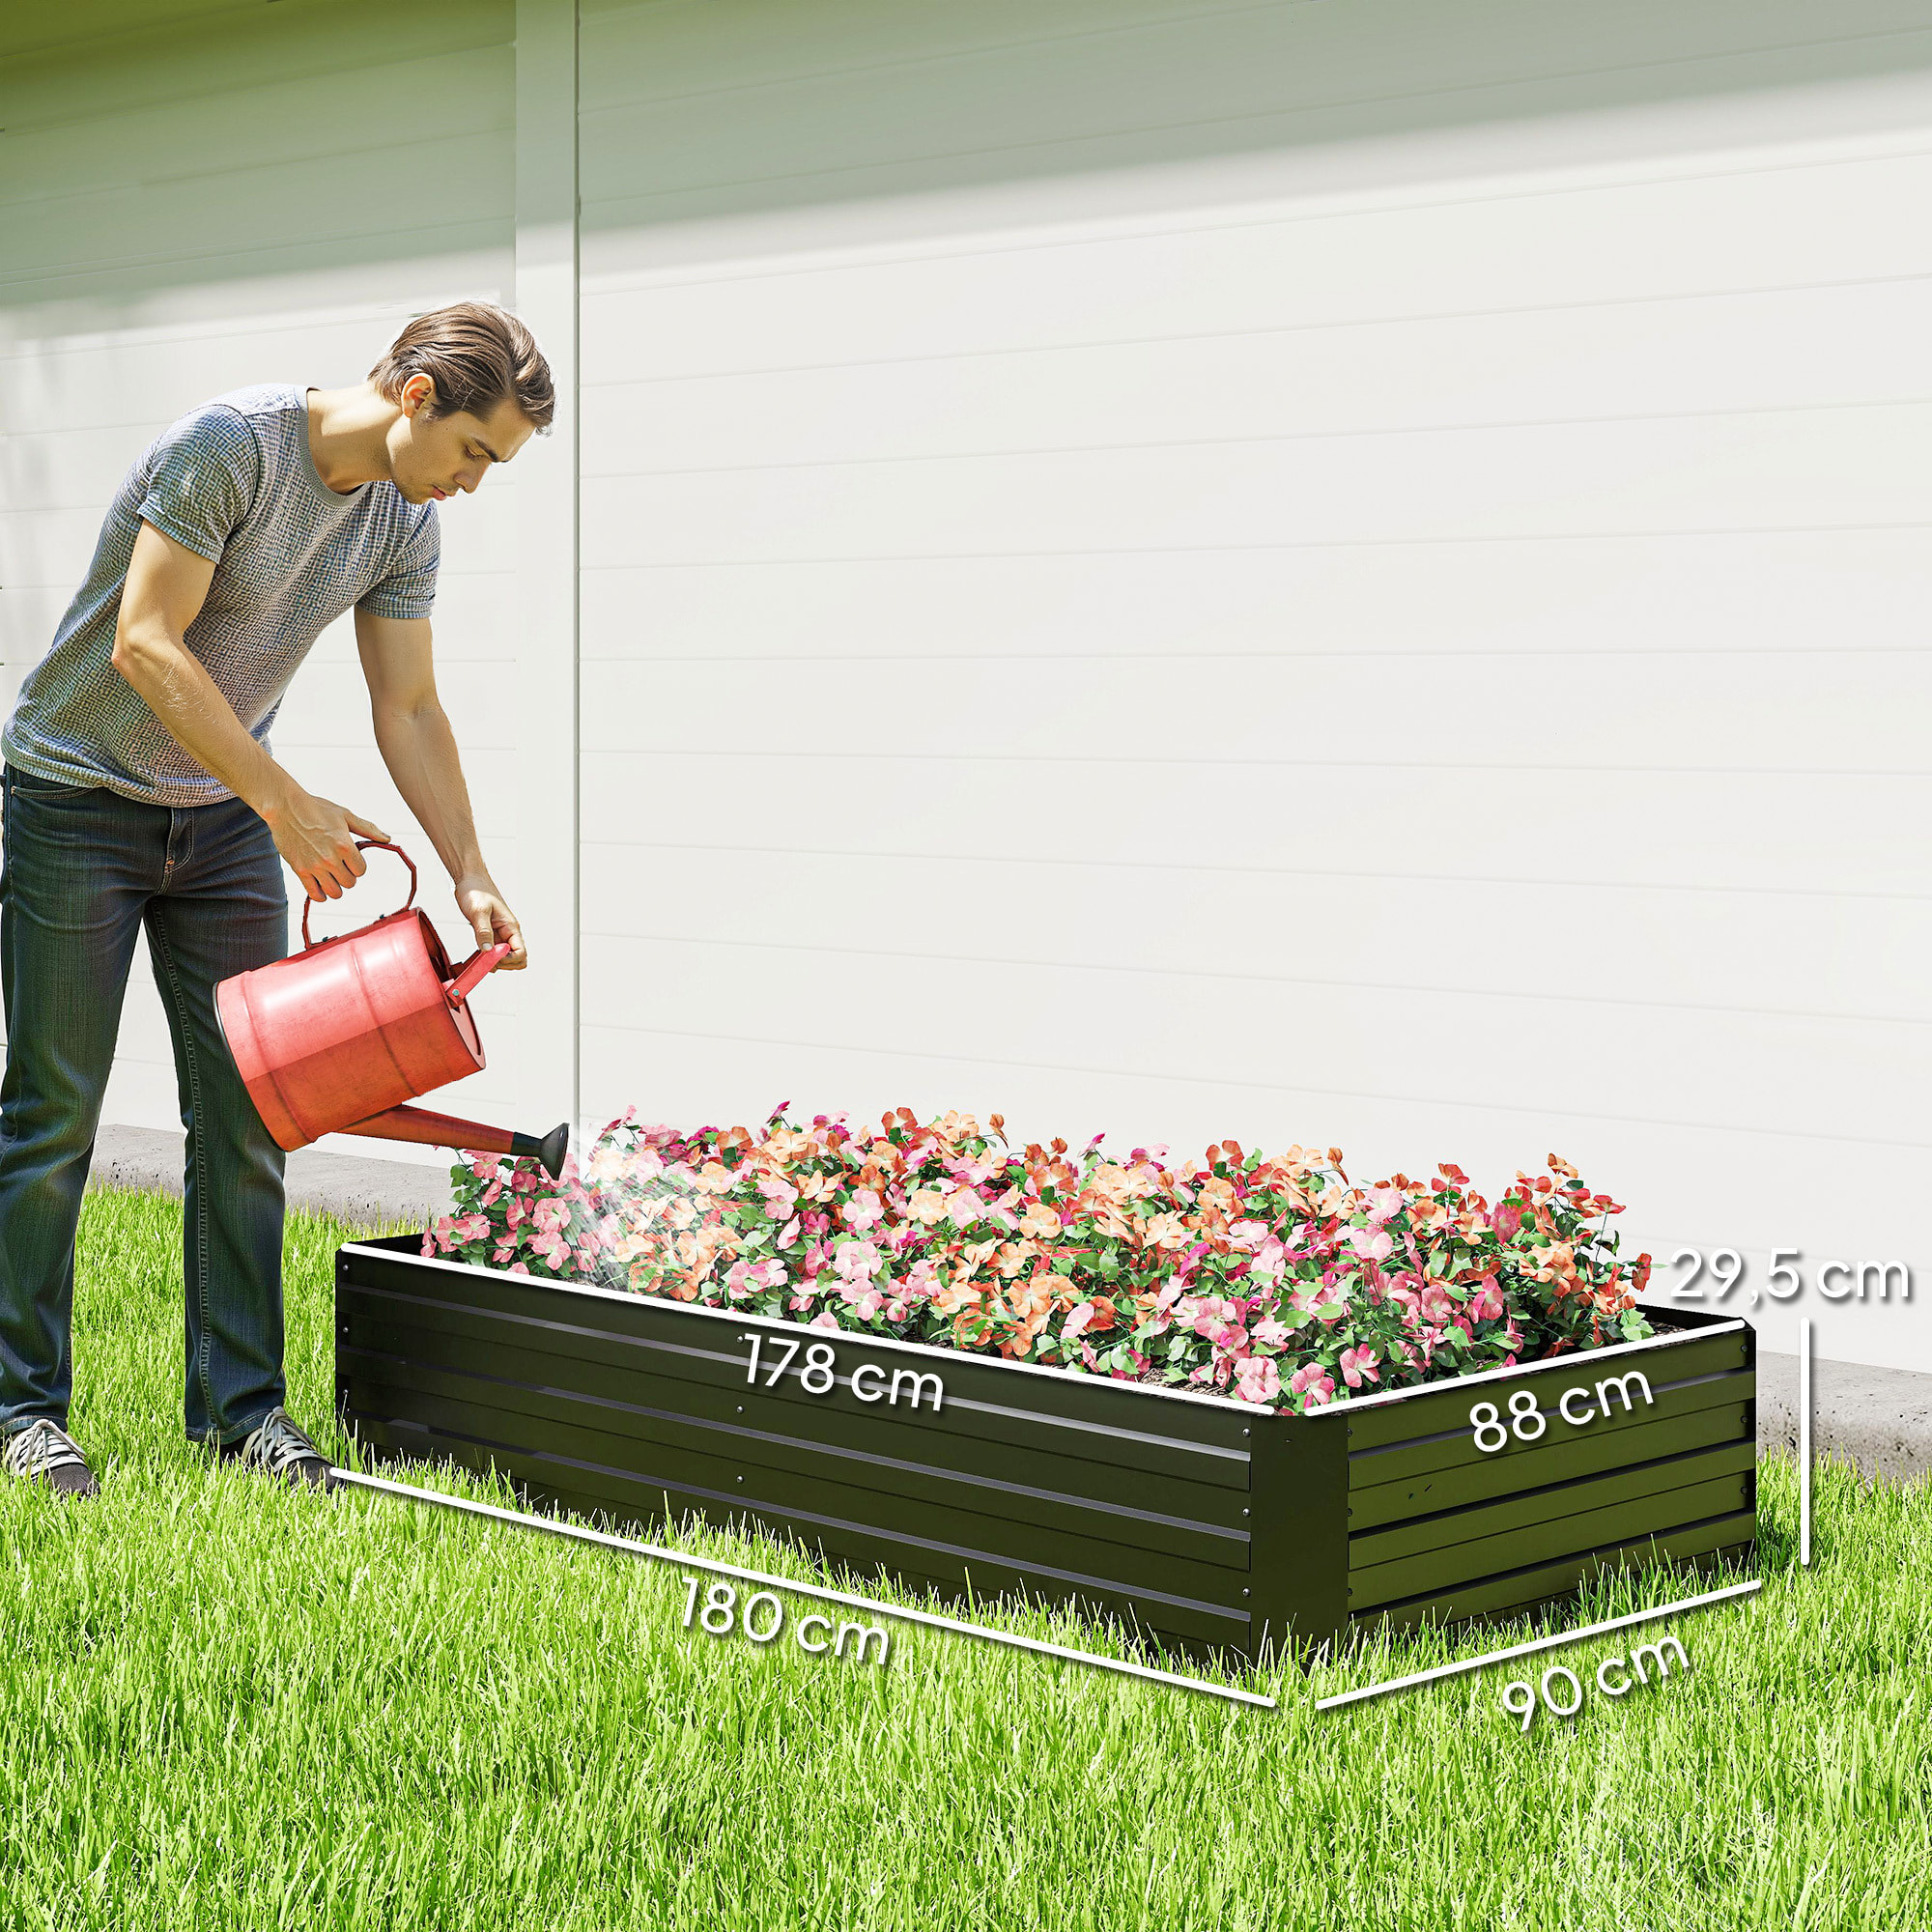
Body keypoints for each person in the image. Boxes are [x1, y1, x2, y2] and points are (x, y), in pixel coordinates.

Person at [0, 301, 550, 1497]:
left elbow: (406, 706)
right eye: (474, 451)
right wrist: (285, 802)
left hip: (226, 824)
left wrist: (469, 865)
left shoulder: (404, 520)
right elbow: (147, 642)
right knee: (51, 1118)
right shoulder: (230, 447)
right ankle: (20, 1407)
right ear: (415, 397)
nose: (471, 482)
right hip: (75, 799)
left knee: (248, 1118)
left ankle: (240, 1410)